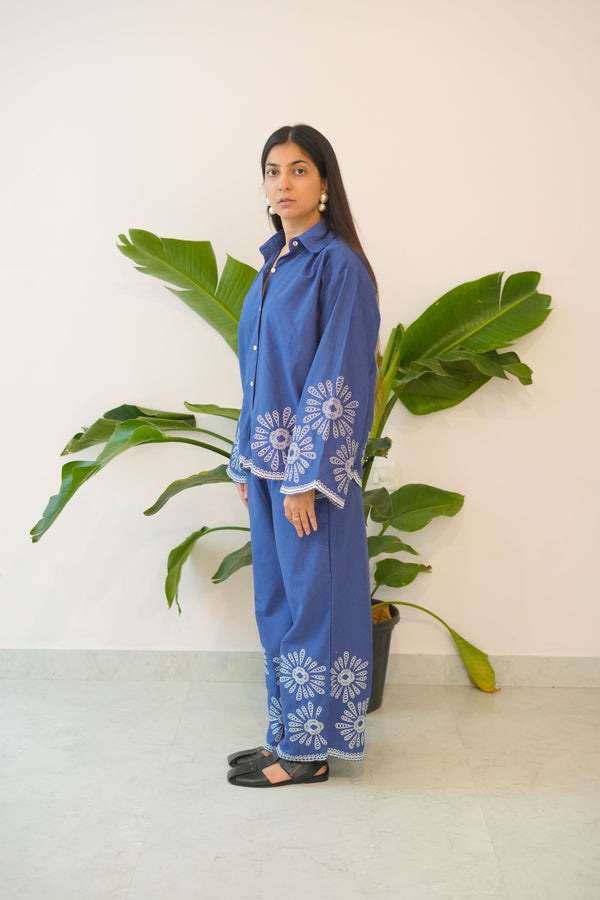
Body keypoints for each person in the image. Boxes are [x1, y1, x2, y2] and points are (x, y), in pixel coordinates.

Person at [226, 124, 380, 787]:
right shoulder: (271, 265)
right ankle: (284, 734)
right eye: (271, 171)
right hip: (266, 470)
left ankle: (310, 753)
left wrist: (305, 478)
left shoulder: (337, 265)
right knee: (276, 604)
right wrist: (244, 460)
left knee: (312, 603)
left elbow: (336, 375)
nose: (282, 183)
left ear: (324, 183)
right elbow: (257, 373)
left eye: (297, 171)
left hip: (304, 481)